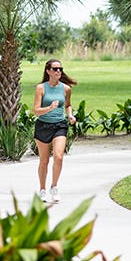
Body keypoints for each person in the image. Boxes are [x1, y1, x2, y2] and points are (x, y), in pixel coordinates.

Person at [33, 59, 77, 203]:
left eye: (60, 69)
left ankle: (54, 186)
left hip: (60, 125)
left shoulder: (66, 89)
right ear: (48, 71)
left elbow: (68, 105)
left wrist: (70, 115)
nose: (59, 71)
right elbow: (36, 111)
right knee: (44, 161)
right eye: (55, 69)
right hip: (43, 126)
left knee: (58, 157)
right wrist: (49, 108)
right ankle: (42, 189)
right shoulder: (41, 88)